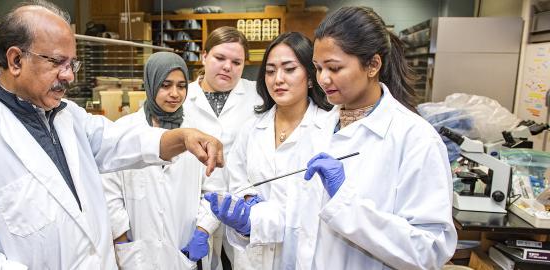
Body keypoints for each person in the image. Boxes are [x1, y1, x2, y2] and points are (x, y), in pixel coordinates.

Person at [0, 1, 223, 269]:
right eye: (57, 63)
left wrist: (182, 137)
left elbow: (119, 141)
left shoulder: (66, 114)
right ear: (15, 60)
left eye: (72, 64)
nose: (69, 75)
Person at [212, 6, 458, 269]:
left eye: (334, 67)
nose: (323, 79)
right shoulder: (317, 130)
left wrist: (344, 202)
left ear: (373, 65)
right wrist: (252, 224)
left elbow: (430, 250)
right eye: (318, 68)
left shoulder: (414, 138)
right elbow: (294, 222)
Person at [204, 32, 332, 269]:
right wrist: (249, 201)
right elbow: (237, 180)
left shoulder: (328, 130)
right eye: (271, 71)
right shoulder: (252, 128)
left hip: (299, 257)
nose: (278, 79)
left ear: (311, 76)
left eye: (289, 69)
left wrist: (264, 217)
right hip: (252, 256)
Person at [103, 52, 217, 269]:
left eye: (181, 85)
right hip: (138, 251)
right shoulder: (124, 131)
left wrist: (203, 230)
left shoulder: (201, 132)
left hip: (185, 247)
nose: (175, 93)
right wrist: (122, 240)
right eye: (165, 85)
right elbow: (110, 193)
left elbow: (215, 189)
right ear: (151, 83)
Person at [182, 26, 262, 270]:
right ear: (204, 56)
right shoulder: (181, 96)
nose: (228, 66)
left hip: (241, 207)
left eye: (236, 62)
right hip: (193, 208)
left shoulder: (258, 94)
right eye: (220, 58)